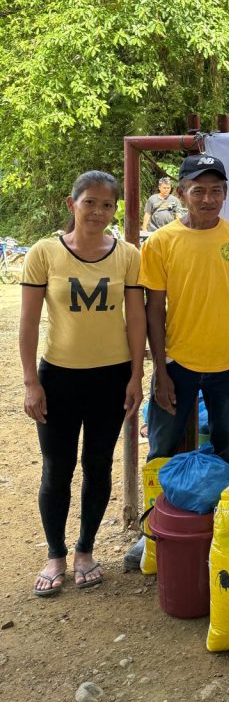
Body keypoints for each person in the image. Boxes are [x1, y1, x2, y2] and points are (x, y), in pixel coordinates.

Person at [20, 171, 146, 596]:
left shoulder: (127, 254)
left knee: (98, 465)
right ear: (72, 204)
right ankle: (55, 554)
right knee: (57, 468)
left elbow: (137, 319)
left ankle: (85, 551)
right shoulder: (44, 253)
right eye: (89, 202)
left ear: (115, 210)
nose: (98, 211)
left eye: (107, 205)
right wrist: (30, 382)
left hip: (111, 377)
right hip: (58, 377)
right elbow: (28, 323)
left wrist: (135, 376)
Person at [140, 153, 229, 470]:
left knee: (226, 452)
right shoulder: (160, 243)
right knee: (161, 451)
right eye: (198, 190)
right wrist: (160, 371)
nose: (208, 199)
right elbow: (153, 309)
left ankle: (217, 518)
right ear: (182, 193)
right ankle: (158, 517)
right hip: (177, 364)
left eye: (216, 190)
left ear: (225, 193)